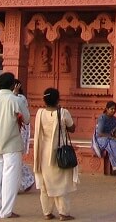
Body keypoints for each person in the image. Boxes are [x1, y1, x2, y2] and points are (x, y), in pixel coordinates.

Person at [0, 71, 31, 219]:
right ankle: (6, 211)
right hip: (12, 143)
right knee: (10, 179)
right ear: (13, 85)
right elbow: (26, 119)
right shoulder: (16, 100)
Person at [33, 87, 78, 221]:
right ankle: (63, 213)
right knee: (62, 183)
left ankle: (47, 212)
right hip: (59, 152)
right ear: (58, 99)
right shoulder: (63, 113)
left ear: (44, 100)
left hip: (43, 152)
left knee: (45, 184)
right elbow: (73, 128)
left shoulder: (40, 113)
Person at [92, 101, 116, 175]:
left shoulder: (114, 119)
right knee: (114, 144)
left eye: (114, 109)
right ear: (107, 109)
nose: (113, 110)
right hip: (100, 139)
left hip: (111, 137)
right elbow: (100, 133)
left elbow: (115, 132)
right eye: (111, 109)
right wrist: (112, 138)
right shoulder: (102, 118)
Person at [13, 79, 35, 193]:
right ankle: (25, 181)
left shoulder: (20, 98)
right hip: (11, 133)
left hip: (20, 131)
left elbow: (22, 115)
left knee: (15, 159)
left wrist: (14, 93)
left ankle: (27, 180)